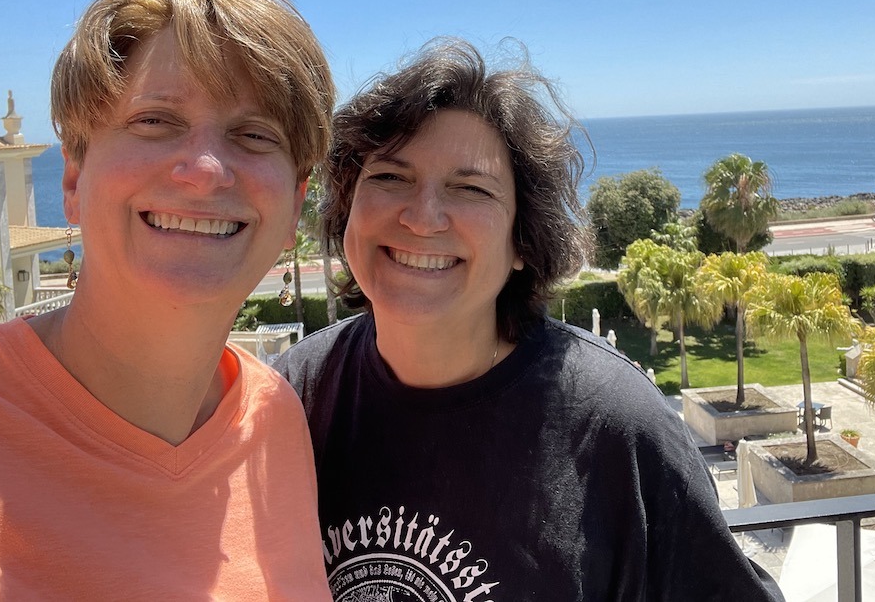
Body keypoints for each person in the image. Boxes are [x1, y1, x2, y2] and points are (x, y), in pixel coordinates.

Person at [275, 40, 783, 601]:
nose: (422, 217)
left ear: (521, 240)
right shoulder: (292, 400)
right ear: (348, 206)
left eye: (470, 188)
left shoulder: (617, 426)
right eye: (390, 177)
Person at [0, 0, 336, 600]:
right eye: (155, 121)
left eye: (254, 135)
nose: (206, 170)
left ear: (295, 204)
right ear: (74, 181)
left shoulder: (275, 421)